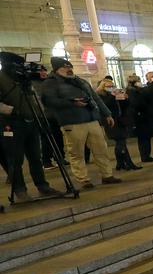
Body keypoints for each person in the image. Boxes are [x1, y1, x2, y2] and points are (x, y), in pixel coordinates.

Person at [41, 57, 120, 189]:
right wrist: (71, 103)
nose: (69, 70)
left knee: (101, 149)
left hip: (91, 119)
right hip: (72, 122)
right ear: (57, 70)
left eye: (70, 67)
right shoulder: (51, 83)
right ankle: (83, 179)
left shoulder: (80, 81)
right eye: (65, 68)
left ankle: (107, 175)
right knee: (77, 152)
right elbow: (49, 101)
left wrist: (107, 114)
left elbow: (95, 98)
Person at [0, 51, 58, 199]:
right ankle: (20, 190)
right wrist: (11, 111)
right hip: (10, 124)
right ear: (8, 65)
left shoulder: (22, 79)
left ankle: (42, 186)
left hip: (31, 121)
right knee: (15, 159)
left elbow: (34, 98)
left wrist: (40, 115)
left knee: (35, 157)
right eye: (18, 65)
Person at [96, 77, 139, 171]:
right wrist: (112, 96)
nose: (111, 88)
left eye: (112, 86)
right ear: (103, 87)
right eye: (109, 86)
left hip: (120, 120)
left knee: (121, 142)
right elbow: (104, 106)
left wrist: (125, 98)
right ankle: (127, 163)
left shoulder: (115, 94)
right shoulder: (100, 96)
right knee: (121, 142)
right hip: (111, 121)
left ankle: (121, 164)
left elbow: (124, 106)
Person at [124, 73, 153, 162]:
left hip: (143, 116)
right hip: (139, 117)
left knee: (146, 137)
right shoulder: (132, 91)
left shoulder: (138, 90)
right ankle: (145, 156)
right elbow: (136, 104)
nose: (140, 82)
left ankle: (147, 155)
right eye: (138, 81)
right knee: (143, 137)